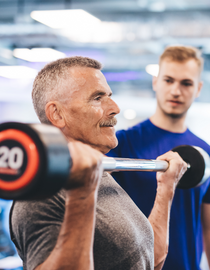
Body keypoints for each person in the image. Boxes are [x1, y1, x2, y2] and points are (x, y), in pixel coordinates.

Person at [10, 56, 188, 270]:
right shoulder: (41, 195)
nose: (114, 108)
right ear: (57, 114)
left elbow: (150, 259)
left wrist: (166, 189)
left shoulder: (101, 174)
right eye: (97, 98)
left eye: (109, 96)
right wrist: (81, 195)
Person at [107, 45, 210, 269]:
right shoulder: (121, 144)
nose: (176, 91)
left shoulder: (207, 154)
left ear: (198, 89)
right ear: (155, 82)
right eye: (168, 80)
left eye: (186, 83)